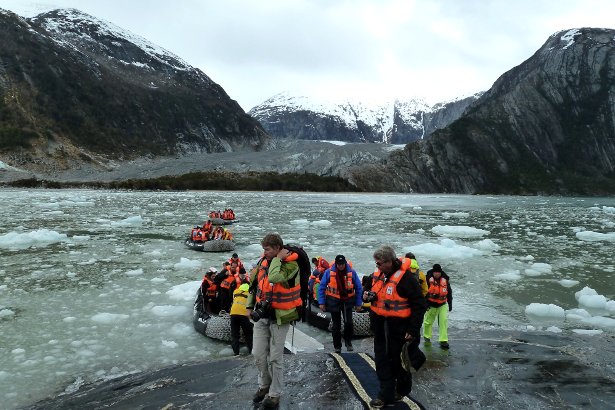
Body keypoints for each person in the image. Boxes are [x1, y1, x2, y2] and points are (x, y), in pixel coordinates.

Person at [363, 245, 426, 408]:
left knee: (398, 362)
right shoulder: (376, 275)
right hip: (380, 326)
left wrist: (413, 329)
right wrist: (365, 295)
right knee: (382, 360)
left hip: (399, 328)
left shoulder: (407, 279)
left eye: (379, 263)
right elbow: (367, 290)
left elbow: (419, 305)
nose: (377, 266)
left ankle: (403, 388)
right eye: (376, 263)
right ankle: (385, 394)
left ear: (390, 262)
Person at [246, 233, 302, 409]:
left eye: (268, 249)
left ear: (278, 248)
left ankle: (274, 394)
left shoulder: (292, 265)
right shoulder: (263, 262)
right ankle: (265, 384)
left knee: (276, 357)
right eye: (264, 249)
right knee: (258, 353)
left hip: (281, 316)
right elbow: (254, 285)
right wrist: (249, 306)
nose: (265, 252)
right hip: (262, 314)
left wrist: (277, 259)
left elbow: (275, 277)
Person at [317, 254, 363, 353]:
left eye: (342, 264)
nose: (340, 266)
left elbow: (359, 288)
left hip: (347, 301)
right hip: (334, 301)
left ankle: (348, 342)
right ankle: (337, 346)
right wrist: (321, 302)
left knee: (349, 323)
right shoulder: (329, 273)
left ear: (345, 263)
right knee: (336, 326)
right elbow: (322, 287)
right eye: (339, 264)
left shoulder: (352, 273)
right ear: (336, 264)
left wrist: (358, 303)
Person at [423, 263, 453, 349]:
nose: (437, 274)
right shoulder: (427, 280)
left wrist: (450, 304)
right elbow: (424, 293)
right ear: (433, 272)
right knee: (428, 322)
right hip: (430, 304)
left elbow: (449, 293)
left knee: (443, 321)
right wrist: (425, 304)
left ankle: (443, 340)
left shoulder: (445, 281)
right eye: (435, 272)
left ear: (440, 272)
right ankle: (427, 337)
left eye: (438, 272)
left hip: (442, 305)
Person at [230, 283, 253, 355]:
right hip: (244, 315)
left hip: (233, 314)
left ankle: (236, 353)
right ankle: (251, 351)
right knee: (248, 334)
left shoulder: (236, 291)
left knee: (235, 335)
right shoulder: (250, 293)